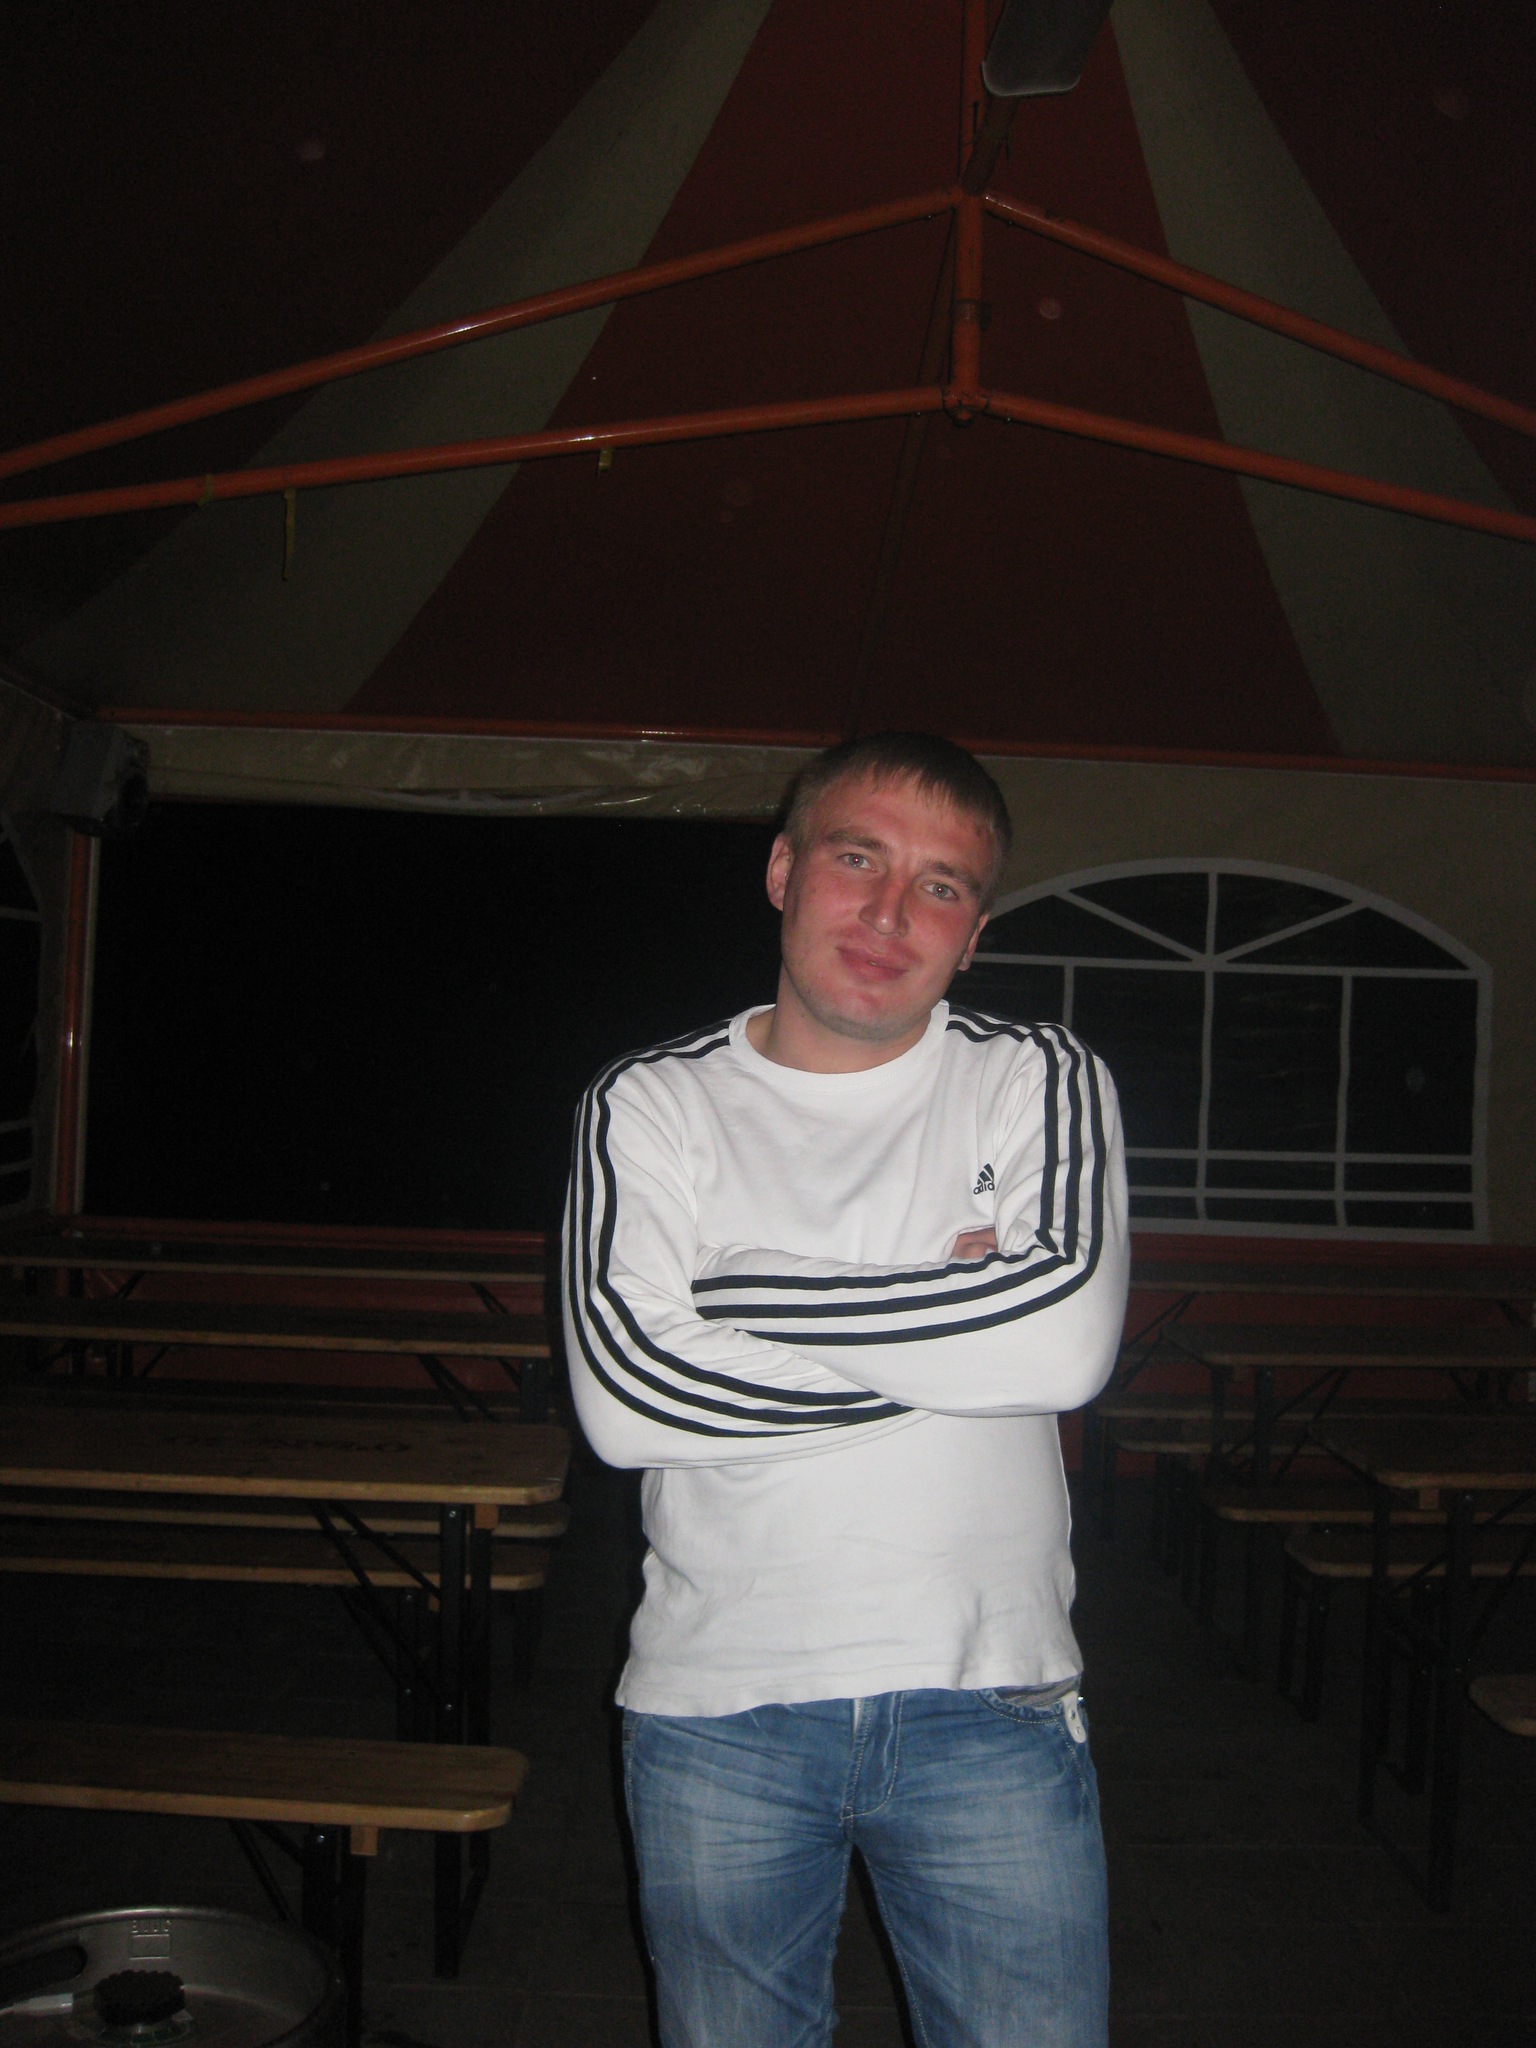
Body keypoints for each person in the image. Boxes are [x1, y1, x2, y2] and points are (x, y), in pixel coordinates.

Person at [562, 731, 1129, 2048]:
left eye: (941, 885)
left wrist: (743, 1282)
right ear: (782, 871)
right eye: (858, 859)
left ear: (973, 934)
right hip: (718, 1707)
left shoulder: (1034, 1077)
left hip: (992, 1700)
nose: (889, 912)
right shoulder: (651, 1104)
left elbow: (1062, 1348)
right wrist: (959, 1340)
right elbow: (627, 1400)